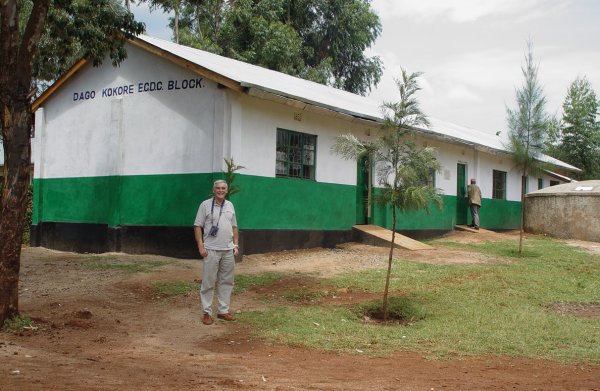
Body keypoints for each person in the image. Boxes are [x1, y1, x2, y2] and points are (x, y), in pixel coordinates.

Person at [193, 180, 239, 325]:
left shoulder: (230, 205)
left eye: (223, 188)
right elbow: (197, 226)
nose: (220, 190)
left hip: (227, 250)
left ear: (227, 190)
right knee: (208, 282)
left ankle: (223, 311)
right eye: (217, 188)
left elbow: (235, 226)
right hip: (211, 250)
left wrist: (235, 245)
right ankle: (206, 312)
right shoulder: (205, 205)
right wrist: (201, 246)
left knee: (227, 281)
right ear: (213, 190)